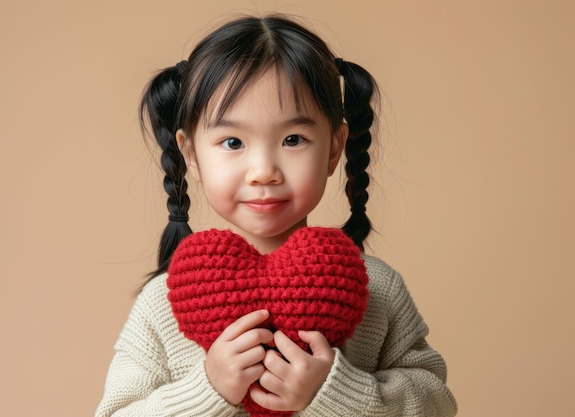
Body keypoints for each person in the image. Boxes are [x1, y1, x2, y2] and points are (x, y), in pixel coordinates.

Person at [95, 13, 457, 417]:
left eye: (293, 139)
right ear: (191, 155)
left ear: (335, 148)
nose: (264, 170)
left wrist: (334, 393)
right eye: (232, 141)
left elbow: (436, 402)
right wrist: (208, 390)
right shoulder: (161, 303)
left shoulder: (378, 289)